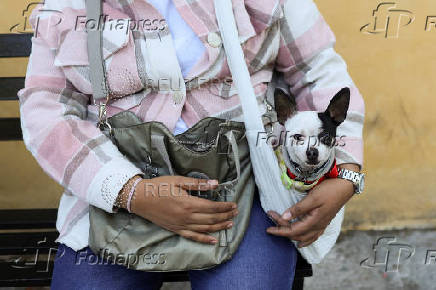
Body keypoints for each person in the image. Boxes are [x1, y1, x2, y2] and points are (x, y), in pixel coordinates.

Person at [17, 0, 364, 289]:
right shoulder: (72, 6)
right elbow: (47, 108)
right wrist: (129, 192)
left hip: (246, 189)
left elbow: (317, 71)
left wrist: (345, 174)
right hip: (116, 189)